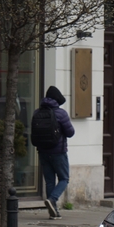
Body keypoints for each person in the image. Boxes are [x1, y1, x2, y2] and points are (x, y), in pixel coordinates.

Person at [34, 86, 75, 219]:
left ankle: (54, 211)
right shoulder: (61, 113)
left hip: (43, 151)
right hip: (58, 152)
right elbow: (70, 132)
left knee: (49, 181)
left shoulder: (37, 112)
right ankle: (52, 200)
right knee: (64, 178)